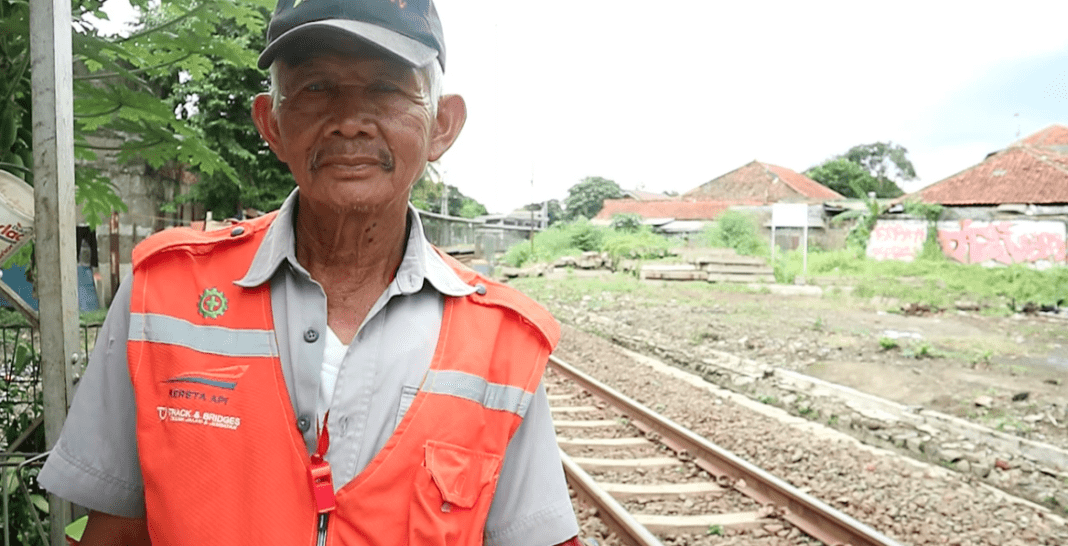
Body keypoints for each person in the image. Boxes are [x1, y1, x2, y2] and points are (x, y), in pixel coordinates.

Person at [37, 0, 583, 544]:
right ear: (271, 123)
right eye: (315, 88)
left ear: (442, 125)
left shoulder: (503, 345)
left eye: (387, 88)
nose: (349, 122)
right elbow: (116, 532)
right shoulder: (162, 296)